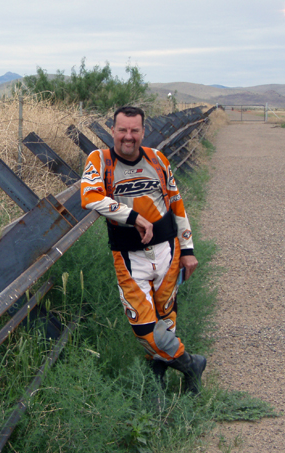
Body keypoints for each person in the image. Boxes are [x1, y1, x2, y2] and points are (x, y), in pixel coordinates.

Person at [80, 105, 206, 394]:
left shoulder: (157, 159)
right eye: (122, 130)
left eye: (134, 130)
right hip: (128, 256)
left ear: (143, 131)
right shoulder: (99, 160)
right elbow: (89, 197)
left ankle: (157, 386)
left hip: (168, 252)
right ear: (112, 130)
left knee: (166, 320)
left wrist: (188, 249)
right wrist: (132, 216)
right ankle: (192, 363)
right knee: (143, 327)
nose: (128, 136)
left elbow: (176, 203)